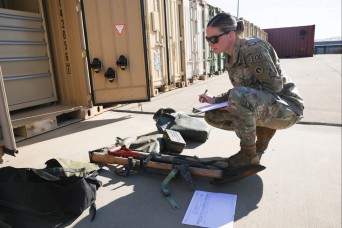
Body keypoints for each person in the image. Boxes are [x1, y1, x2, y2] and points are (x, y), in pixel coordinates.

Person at [199, 12, 304, 169]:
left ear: (231, 35)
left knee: (238, 98)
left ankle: (248, 155)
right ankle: (261, 138)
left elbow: (274, 87)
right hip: (268, 105)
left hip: (288, 108)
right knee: (212, 114)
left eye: (214, 38)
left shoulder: (252, 49)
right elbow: (245, 91)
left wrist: (233, 102)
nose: (210, 43)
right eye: (207, 39)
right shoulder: (231, 56)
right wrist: (216, 100)